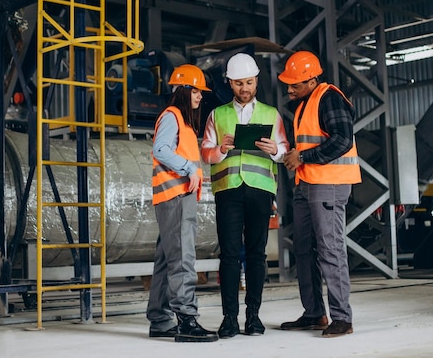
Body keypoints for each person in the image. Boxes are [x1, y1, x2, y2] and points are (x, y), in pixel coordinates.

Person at [201, 53, 289, 338]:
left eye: (249, 82)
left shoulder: (271, 114)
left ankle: (253, 317)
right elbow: (205, 152)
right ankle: (229, 319)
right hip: (228, 190)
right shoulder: (217, 115)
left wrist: (274, 150)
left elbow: (284, 150)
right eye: (238, 83)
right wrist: (222, 150)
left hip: (260, 190)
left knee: (256, 254)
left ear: (256, 81)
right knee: (228, 255)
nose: (244, 88)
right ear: (229, 83)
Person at [277, 50, 361, 338]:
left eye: (295, 84)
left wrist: (303, 157)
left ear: (311, 80)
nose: (289, 89)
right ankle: (314, 313)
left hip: (330, 184)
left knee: (330, 249)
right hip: (307, 183)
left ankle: (342, 318)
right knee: (303, 249)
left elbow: (342, 139)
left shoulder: (329, 98)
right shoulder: (304, 104)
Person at [147, 64, 219, 343]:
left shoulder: (181, 120)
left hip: (175, 198)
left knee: (167, 260)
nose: (200, 96)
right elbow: (161, 149)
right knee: (183, 259)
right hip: (175, 197)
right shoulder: (172, 116)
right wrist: (189, 168)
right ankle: (187, 320)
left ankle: (160, 319)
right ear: (184, 90)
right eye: (197, 90)